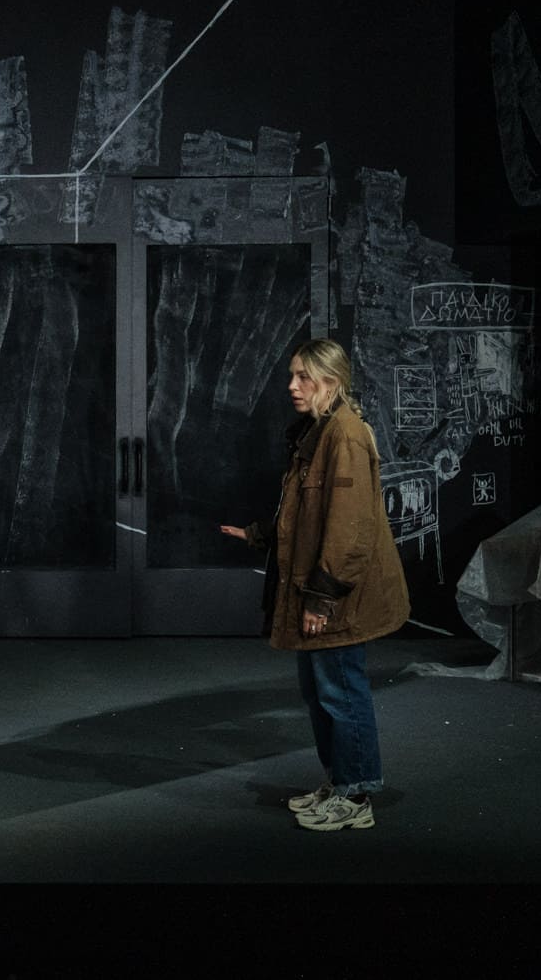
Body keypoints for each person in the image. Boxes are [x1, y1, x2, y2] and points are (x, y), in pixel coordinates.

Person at [218, 338, 409, 831]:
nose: (292, 386)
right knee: (321, 692)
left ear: (332, 380)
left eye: (303, 376)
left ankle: (357, 795)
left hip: (337, 595)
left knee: (341, 692)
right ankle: (339, 781)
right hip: (321, 588)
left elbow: (350, 530)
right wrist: (259, 535)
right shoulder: (319, 432)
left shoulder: (345, 435)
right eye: (292, 375)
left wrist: (321, 599)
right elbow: (306, 513)